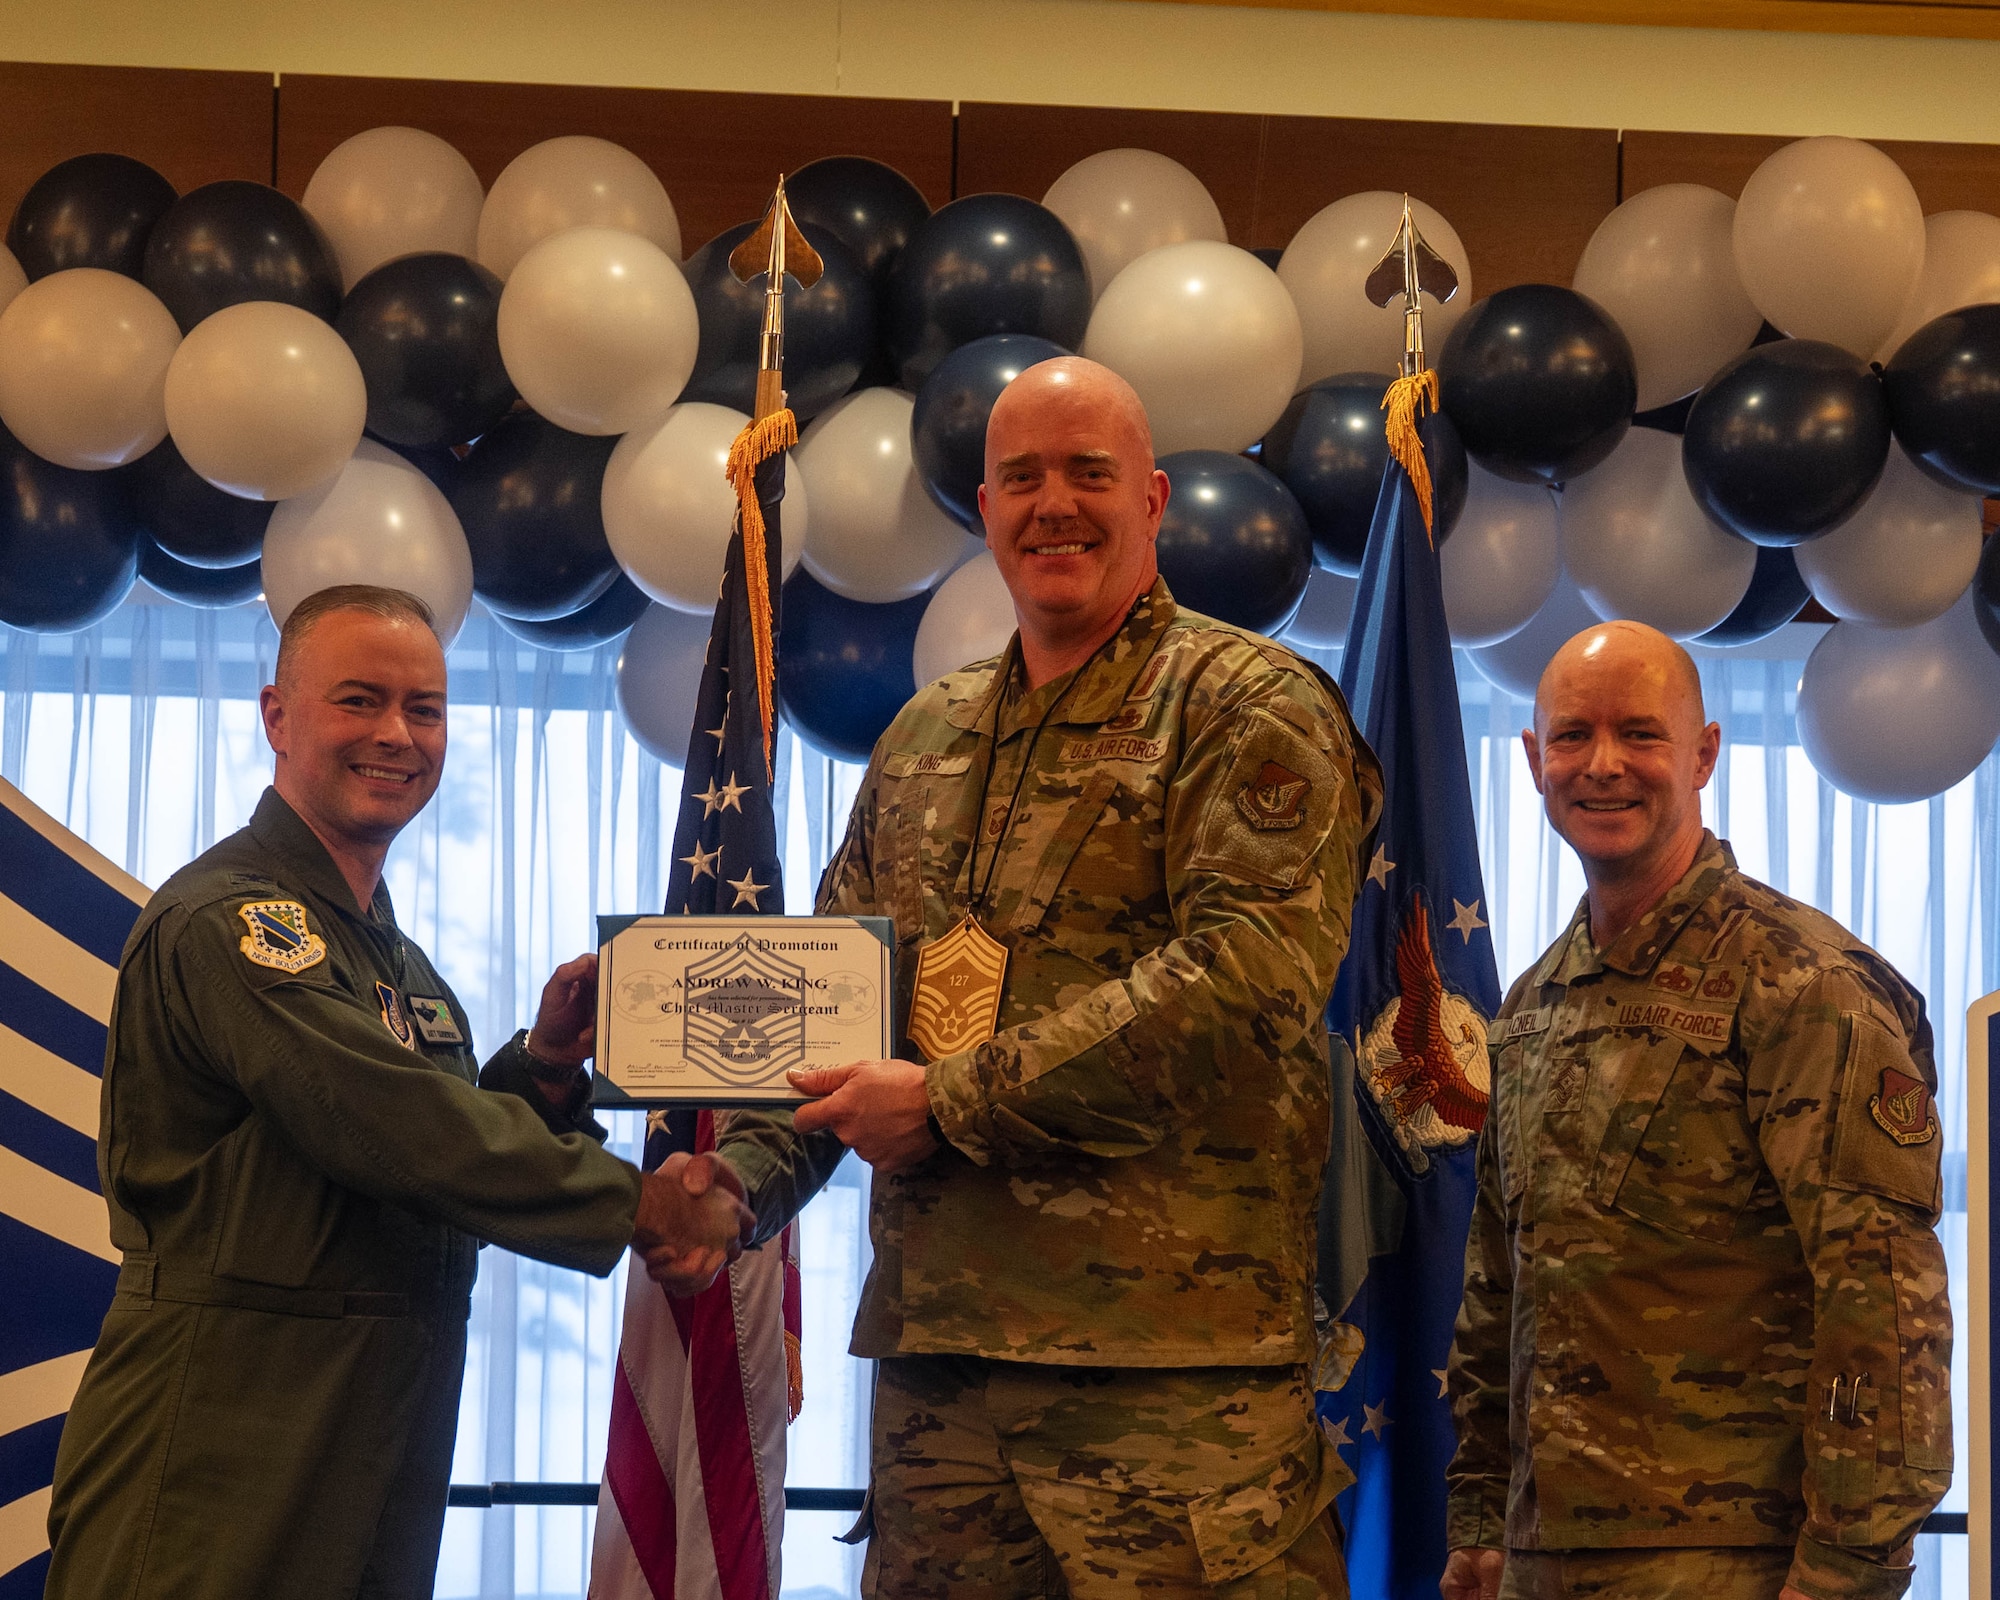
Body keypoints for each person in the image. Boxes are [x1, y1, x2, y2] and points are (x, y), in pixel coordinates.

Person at [702, 356, 1383, 1597]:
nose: (1052, 503)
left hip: (1175, 1393)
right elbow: (830, 1005)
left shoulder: (1247, 706)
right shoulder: (920, 738)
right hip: (940, 1388)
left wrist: (946, 1102)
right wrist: (732, 1189)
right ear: (983, 505)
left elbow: (1243, 983)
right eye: (1021, 477)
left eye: (1088, 472)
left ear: (1155, 501)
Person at [45, 586, 753, 1600]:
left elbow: (412, 1165)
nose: (396, 734)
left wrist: (543, 1069)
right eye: (359, 699)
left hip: (375, 1426)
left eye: (423, 708)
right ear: (277, 717)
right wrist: (638, 1204)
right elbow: (389, 1124)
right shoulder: (232, 921)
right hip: (226, 1428)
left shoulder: (394, 958)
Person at [1442, 622, 1952, 1600]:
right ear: (1530, 758)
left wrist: (1844, 1572)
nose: (1601, 766)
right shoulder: (1532, 1003)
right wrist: (1476, 1515)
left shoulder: (1802, 988)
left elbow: (1882, 1304)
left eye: (1638, 734)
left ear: (1703, 752)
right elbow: (1498, 1286)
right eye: (1569, 736)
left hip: (1729, 1565)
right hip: (1537, 1555)